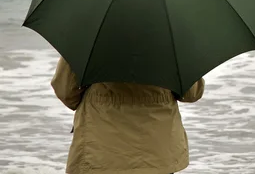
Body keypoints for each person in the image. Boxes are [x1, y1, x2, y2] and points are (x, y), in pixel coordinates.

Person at [51, 56, 205, 174]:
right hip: (158, 152)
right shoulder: (171, 38)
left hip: (100, 149)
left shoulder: (90, 34)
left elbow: (65, 90)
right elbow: (192, 93)